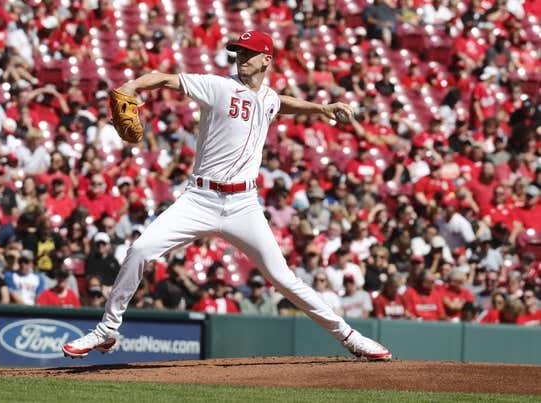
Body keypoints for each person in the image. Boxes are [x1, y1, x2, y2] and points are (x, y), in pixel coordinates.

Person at [62, 31, 391, 361]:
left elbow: (281, 103)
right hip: (199, 199)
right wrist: (132, 88)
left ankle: (350, 337)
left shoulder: (269, 98)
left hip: (243, 206)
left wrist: (320, 108)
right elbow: (164, 79)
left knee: (283, 278)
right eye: (238, 52)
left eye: (248, 53)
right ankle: (107, 330)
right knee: (141, 249)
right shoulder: (218, 86)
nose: (241, 58)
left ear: (266, 60)